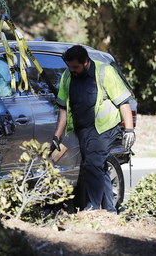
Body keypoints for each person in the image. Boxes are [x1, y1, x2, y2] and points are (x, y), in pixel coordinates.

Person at [53, 45, 135, 212]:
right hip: (82, 130)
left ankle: (92, 207)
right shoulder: (67, 76)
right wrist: (57, 136)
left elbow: (123, 102)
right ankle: (110, 210)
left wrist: (129, 129)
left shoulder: (105, 72)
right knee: (98, 167)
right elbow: (63, 108)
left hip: (105, 128)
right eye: (69, 66)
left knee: (92, 164)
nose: (72, 70)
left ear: (86, 62)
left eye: (75, 67)